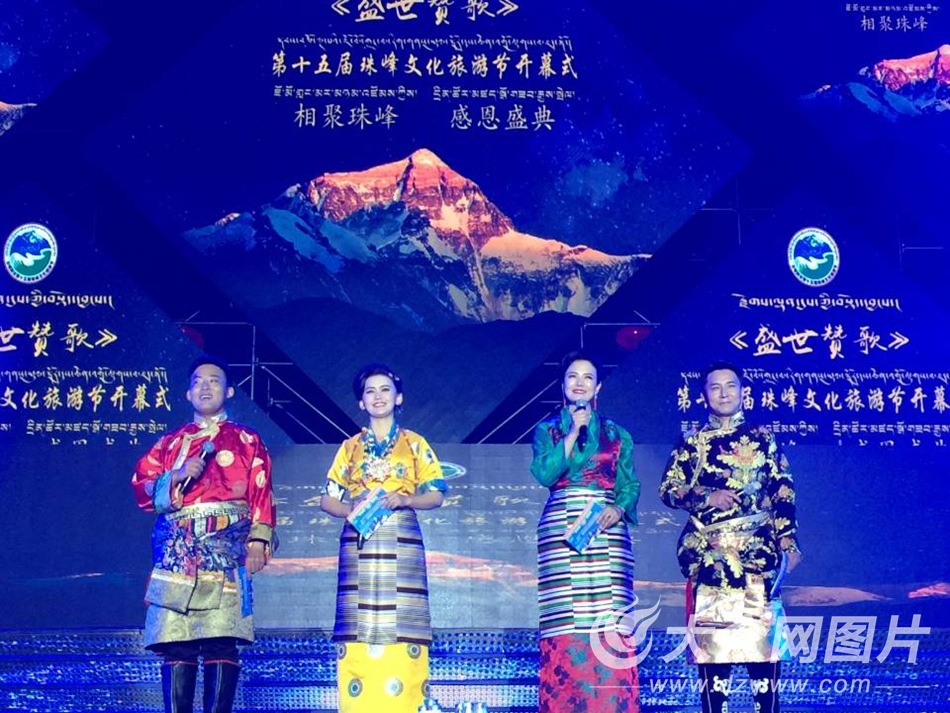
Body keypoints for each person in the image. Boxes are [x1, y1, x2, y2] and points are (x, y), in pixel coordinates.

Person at [131, 355, 276, 713]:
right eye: (197, 381)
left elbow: (261, 490)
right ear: (187, 393)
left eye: (214, 380)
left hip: (227, 546)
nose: (205, 386)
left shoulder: (246, 439)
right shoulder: (170, 444)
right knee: (176, 641)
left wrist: (258, 541)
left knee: (221, 639)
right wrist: (176, 475)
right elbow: (141, 488)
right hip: (178, 550)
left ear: (229, 391)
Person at [659, 361, 802, 713]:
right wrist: (706, 497)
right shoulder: (692, 441)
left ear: (742, 392)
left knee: (763, 658)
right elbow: (668, 489)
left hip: (757, 559)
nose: (724, 393)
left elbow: (782, 489)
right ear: (704, 395)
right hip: (712, 562)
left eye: (731, 386)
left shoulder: (763, 438)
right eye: (715, 387)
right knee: (714, 659)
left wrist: (788, 541)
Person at [321, 363, 447, 713]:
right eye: (370, 391)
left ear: (398, 397)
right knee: (357, 625)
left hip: (401, 538)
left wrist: (405, 499)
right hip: (359, 542)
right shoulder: (349, 447)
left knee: (405, 624)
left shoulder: (415, 443)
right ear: (361, 402)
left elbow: (436, 494)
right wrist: (351, 508)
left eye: (385, 389)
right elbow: (326, 500)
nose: (378, 396)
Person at [530, 350, 641, 712]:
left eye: (587, 377)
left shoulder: (617, 433)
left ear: (598, 387)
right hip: (562, 528)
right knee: (565, 622)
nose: (580, 383)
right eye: (572, 377)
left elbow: (629, 484)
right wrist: (572, 432)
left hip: (607, 527)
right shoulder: (547, 430)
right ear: (562, 385)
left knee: (611, 620)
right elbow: (545, 473)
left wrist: (618, 508)